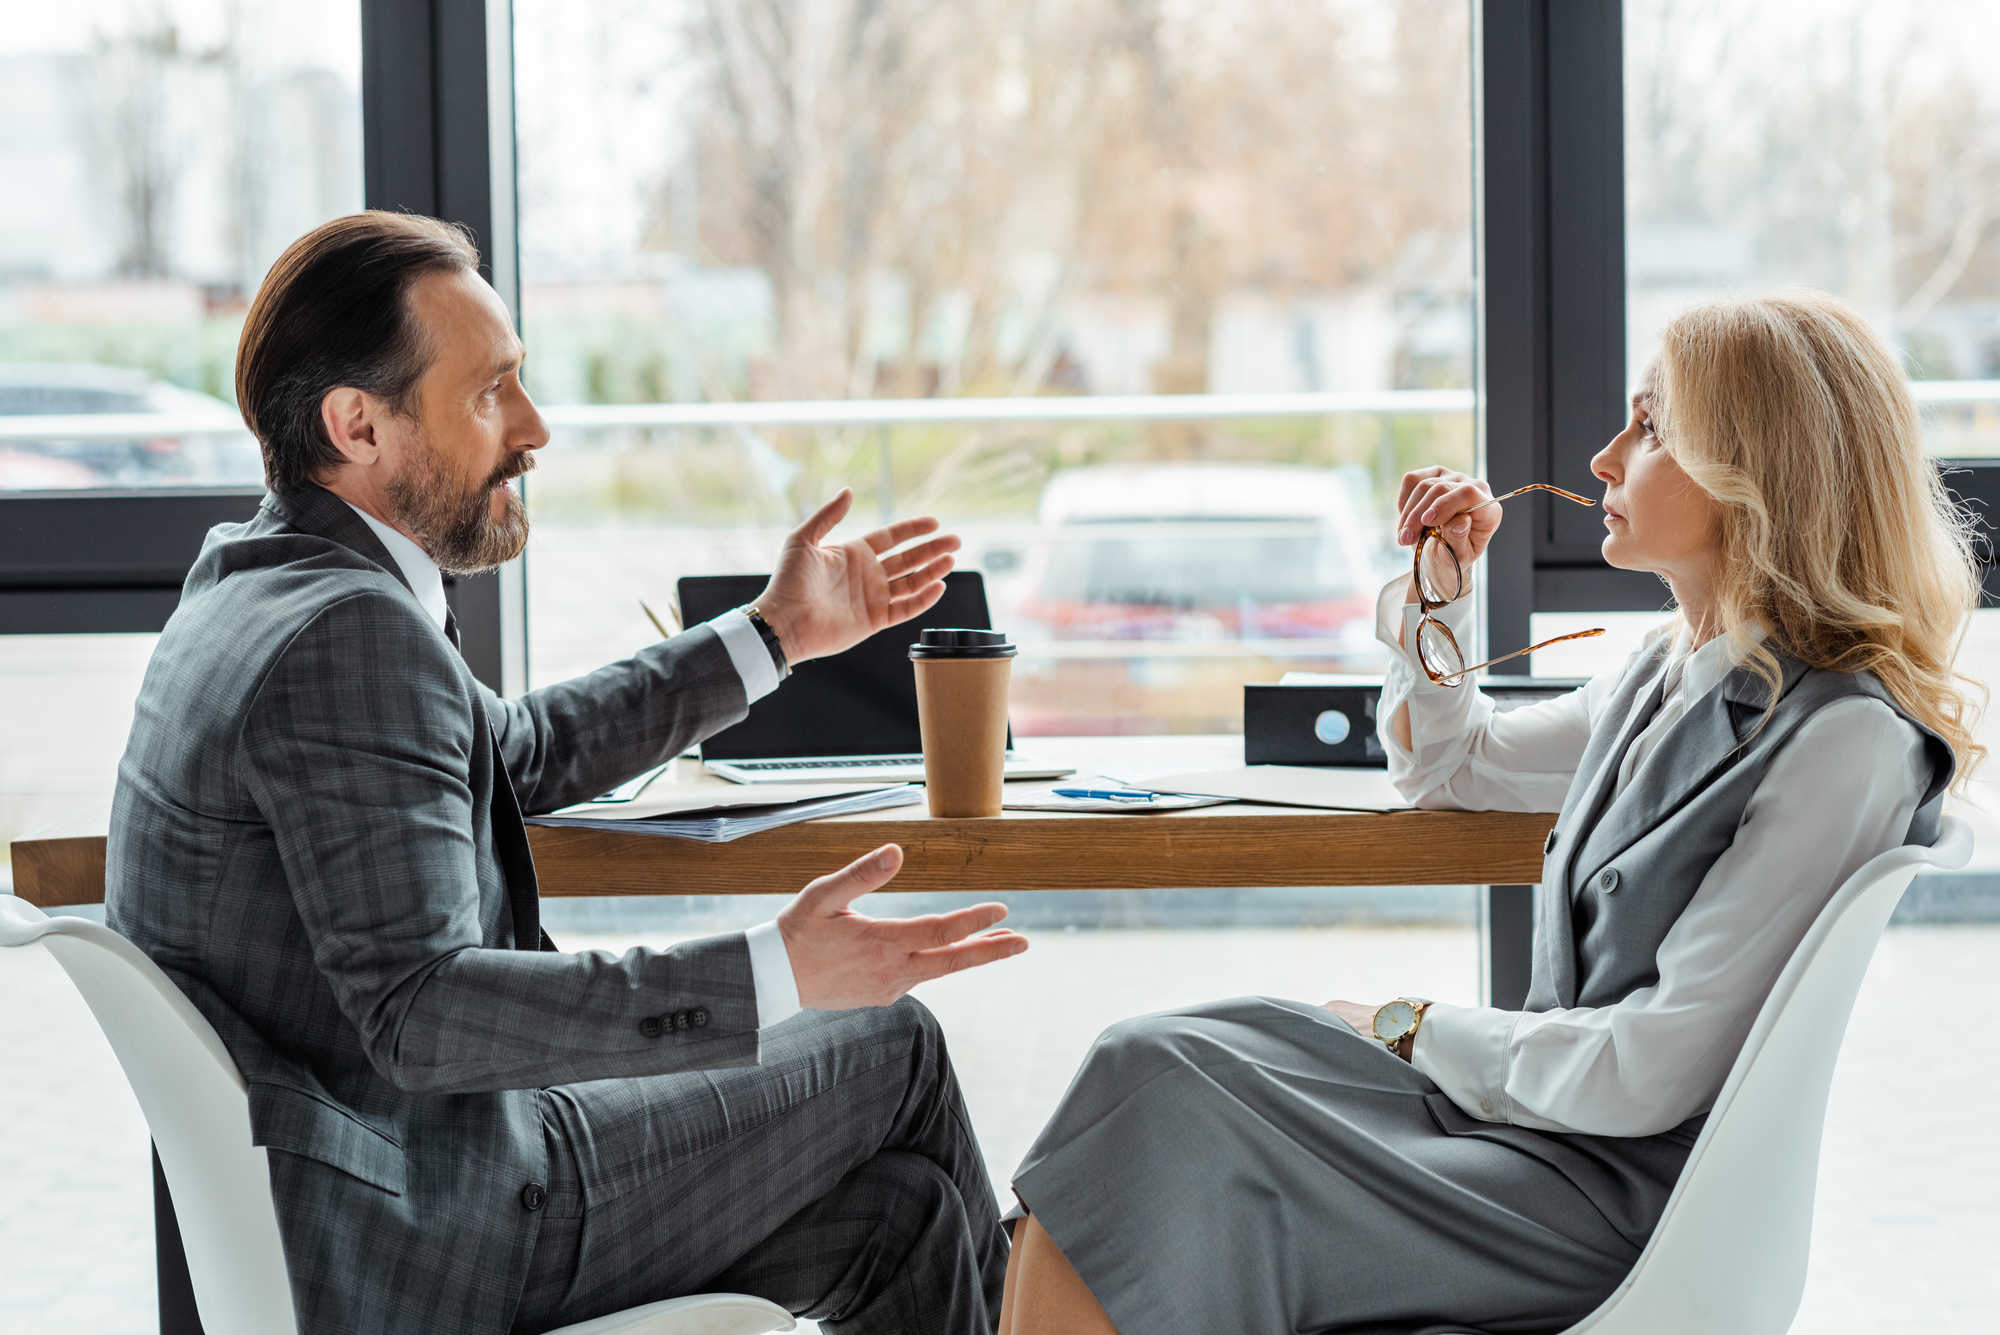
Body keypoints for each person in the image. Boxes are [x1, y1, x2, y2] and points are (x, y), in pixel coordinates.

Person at [105, 211, 1027, 1335]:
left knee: (905, 1215)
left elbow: (514, 753)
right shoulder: (344, 637)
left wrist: (774, 633)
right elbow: (423, 1011)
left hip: (358, 1199)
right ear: (358, 424)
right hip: (432, 1232)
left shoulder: (254, 582)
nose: (533, 429)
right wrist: (771, 970)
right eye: (490, 392)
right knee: (893, 1047)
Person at [993, 289, 1981, 1335]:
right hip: (1531, 1123)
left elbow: (1646, 1074)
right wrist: (1442, 594)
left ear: (1753, 476)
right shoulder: (1671, 673)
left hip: (1601, 1200)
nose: (1603, 459)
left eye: (1648, 428)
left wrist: (1407, 1027)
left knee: (1164, 1114)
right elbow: (1450, 766)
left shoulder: (1841, 740)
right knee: (1140, 1068)